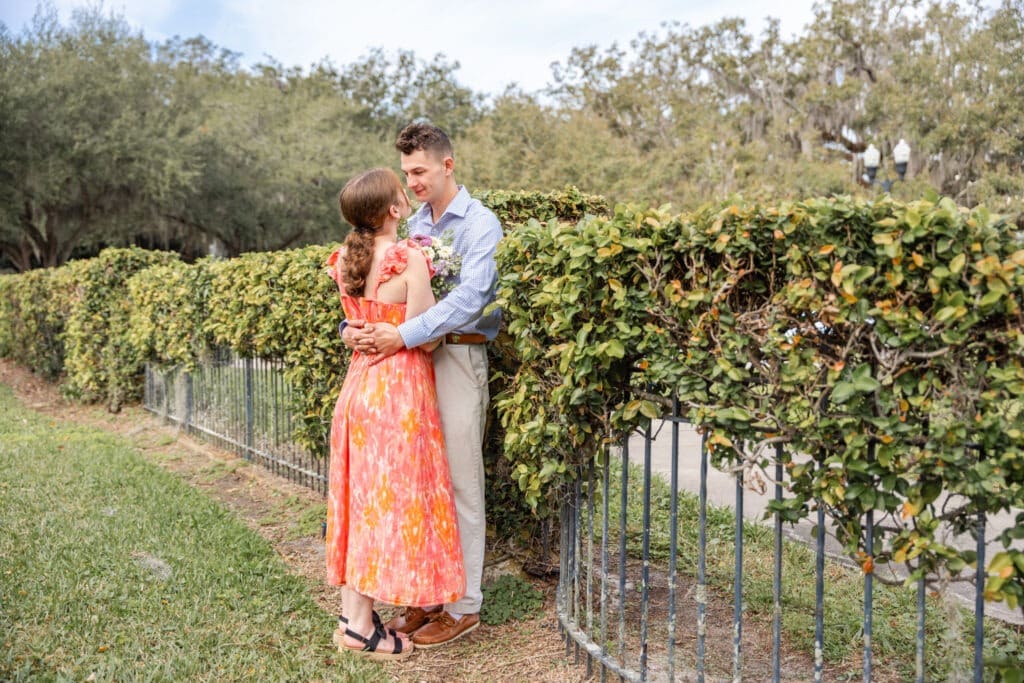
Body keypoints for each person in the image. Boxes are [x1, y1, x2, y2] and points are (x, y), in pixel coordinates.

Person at [343, 122, 502, 648]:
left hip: (455, 354)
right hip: (405, 367)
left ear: (447, 165)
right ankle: (426, 596)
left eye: (420, 171)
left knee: (458, 481)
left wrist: (403, 334)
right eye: (406, 172)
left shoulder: (480, 224)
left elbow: (471, 298)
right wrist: (355, 329)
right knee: (418, 483)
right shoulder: (410, 227)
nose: (412, 181)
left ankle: (463, 606)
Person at [325, 167, 465, 660]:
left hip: (357, 389)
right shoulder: (409, 258)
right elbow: (425, 334)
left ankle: (351, 617)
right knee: (389, 506)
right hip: (399, 394)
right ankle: (361, 626)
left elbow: (352, 317)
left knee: (359, 503)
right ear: (394, 209)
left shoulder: (344, 258)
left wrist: (351, 330)